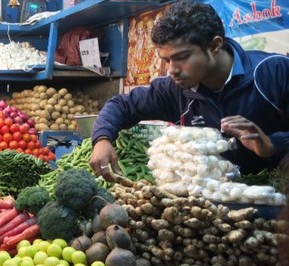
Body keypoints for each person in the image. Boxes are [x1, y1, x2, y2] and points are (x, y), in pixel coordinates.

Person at [90, 0, 289, 181]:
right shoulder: (173, 89)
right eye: (166, 60)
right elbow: (122, 105)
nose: (171, 70)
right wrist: (102, 139)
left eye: (182, 57)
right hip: (214, 201)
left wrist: (272, 146)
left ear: (214, 46)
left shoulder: (273, 72)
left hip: (279, 195)